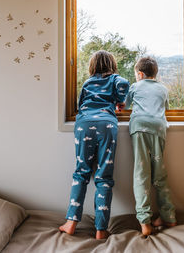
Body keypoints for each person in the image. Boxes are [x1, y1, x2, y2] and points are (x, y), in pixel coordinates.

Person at [59, 50, 129, 239]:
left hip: (84, 125)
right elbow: (124, 84)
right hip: (106, 125)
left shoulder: (88, 82)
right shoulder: (115, 79)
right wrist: (121, 101)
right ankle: (101, 229)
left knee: (81, 172)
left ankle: (71, 222)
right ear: (111, 65)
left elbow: (81, 104)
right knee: (104, 176)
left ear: (92, 67)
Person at [125, 56, 177, 236]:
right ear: (155, 73)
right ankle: (169, 217)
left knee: (142, 174)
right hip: (159, 129)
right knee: (159, 175)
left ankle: (145, 223)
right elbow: (166, 109)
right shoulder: (163, 88)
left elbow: (123, 106)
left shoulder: (135, 86)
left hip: (140, 127)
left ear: (139, 74)